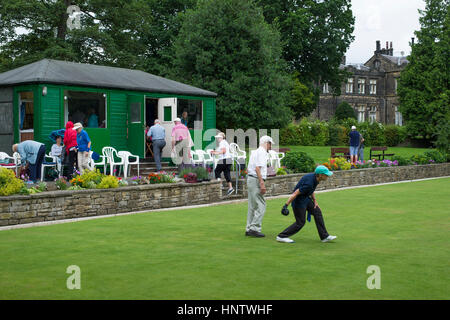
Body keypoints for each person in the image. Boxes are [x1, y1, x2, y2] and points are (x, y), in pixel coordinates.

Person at [277, 165, 337, 243]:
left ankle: (324, 236)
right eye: (326, 174)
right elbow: (295, 193)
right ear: (320, 175)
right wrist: (285, 206)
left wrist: (314, 200)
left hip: (306, 199)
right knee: (300, 222)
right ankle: (281, 236)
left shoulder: (315, 179)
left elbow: (311, 190)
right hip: (298, 201)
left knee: (317, 212)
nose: (327, 176)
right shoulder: (309, 183)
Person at [245, 135, 273, 238]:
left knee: (252, 206)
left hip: (251, 179)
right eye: (270, 144)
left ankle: (249, 228)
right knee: (261, 205)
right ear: (266, 143)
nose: (270, 146)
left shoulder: (255, 151)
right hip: (256, 179)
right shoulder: (262, 152)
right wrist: (261, 183)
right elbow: (258, 168)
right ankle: (254, 228)